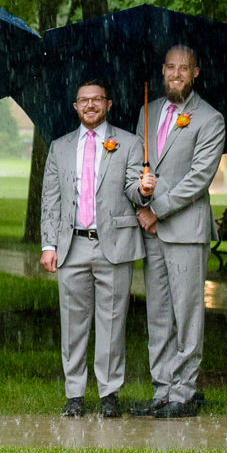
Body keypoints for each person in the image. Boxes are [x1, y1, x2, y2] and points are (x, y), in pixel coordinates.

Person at [131, 46, 227, 418]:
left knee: (187, 315)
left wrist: (156, 209)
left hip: (185, 230)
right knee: (158, 314)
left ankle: (184, 392)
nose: (176, 74)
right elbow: (138, 165)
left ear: (196, 73)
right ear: (162, 70)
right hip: (151, 232)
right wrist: (141, 192)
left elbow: (197, 180)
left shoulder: (209, 119)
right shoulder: (147, 111)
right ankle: (162, 390)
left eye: (183, 68)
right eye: (170, 67)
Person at [40, 79, 143, 419]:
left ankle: (109, 393)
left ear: (109, 104)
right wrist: (49, 244)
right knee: (73, 324)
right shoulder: (60, 147)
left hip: (114, 244)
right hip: (72, 246)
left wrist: (144, 189)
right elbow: (51, 200)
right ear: (75, 106)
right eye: (83, 100)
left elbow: (135, 191)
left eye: (97, 99)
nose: (90, 105)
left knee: (112, 323)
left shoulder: (128, 143)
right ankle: (74, 395)